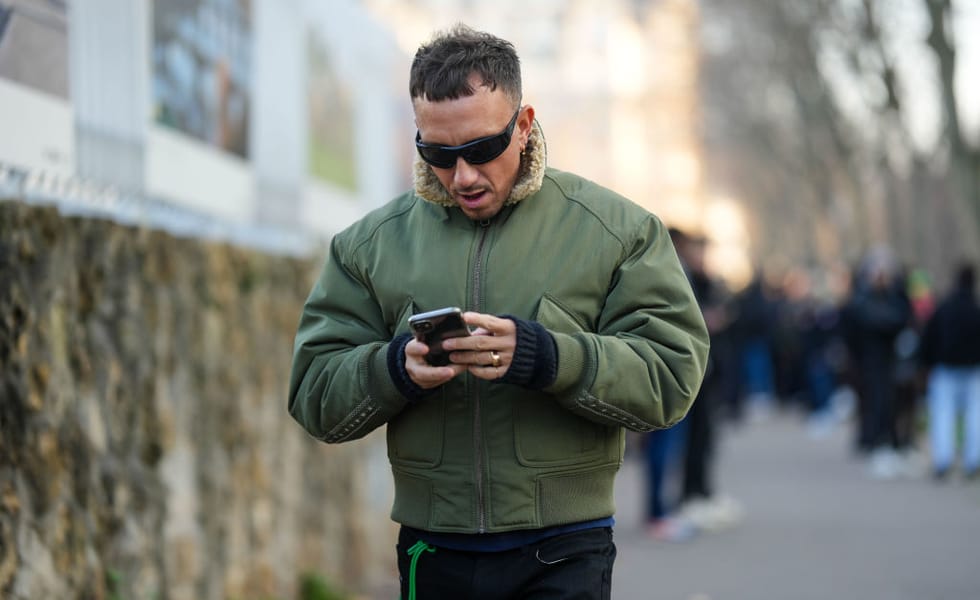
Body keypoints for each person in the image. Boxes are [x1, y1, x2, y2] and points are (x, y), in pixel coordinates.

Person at [287, 24, 709, 600]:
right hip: (431, 547)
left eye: (481, 149)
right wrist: (395, 370)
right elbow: (314, 392)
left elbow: (672, 375)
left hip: (566, 547)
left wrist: (548, 356)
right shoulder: (367, 246)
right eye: (437, 153)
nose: (462, 176)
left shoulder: (619, 231)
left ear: (525, 123)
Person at [919, 263, 980, 481]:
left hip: (946, 369)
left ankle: (943, 460)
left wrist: (926, 364)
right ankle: (973, 461)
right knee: (975, 415)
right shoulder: (975, 309)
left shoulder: (944, 308)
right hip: (973, 370)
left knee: (943, 415)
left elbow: (928, 338)